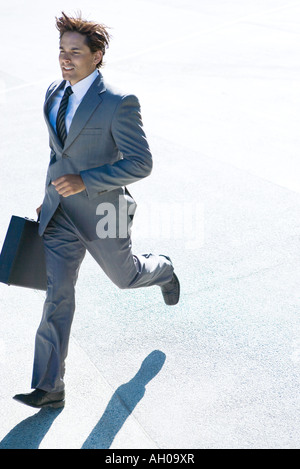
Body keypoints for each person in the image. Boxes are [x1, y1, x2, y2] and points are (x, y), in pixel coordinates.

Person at [13, 12, 180, 410]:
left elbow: (141, 163)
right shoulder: (55, 92)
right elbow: (57, 153)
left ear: (97, 55)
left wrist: (86, 181)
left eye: (75, 52)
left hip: (108, 210)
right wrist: (48, 194)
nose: (65, 59)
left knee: (126, 277)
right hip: (60, 213)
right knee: (57, 296)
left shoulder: (119, 102)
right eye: (61, 51)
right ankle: (50, 386)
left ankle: (164, 269)